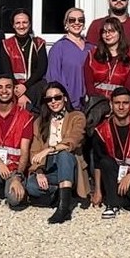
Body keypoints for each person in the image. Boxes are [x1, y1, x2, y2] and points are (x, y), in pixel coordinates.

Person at [25, 82, 85, 223]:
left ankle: (63, 208)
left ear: (65, 98)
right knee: (31, 185)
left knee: (64, 155)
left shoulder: (77, 117)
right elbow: (35, 151)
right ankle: (61, 192)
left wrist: (49, 149)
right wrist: (39, 171)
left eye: (57, 97)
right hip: (49, 165)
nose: (53, 102)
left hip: (70, 163)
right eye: (49, 99)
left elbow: (73, 140)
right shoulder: (39, 122)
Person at [88, 87, 130, 217]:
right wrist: (98, 191)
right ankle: (112, 204)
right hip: (112, 174)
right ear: (111, 105)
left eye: (125, 103)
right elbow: (98, 163)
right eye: (117, 103)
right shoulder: (101, 130)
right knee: (105, 161)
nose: (121, 107)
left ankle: (117, 197)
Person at [0, 75, 34, 209]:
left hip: (14, 169)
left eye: (8, 87)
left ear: (14, 89)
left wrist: (17, 177)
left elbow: (24, 152)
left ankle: (11, 186)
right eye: (0, 87)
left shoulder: (26, 117)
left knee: (14, 200)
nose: (4, 91)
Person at [83, 16, 130, 126]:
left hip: (119, 108)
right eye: (104, 32)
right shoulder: (92, 55)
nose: (107, 35)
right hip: (97, 108)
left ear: (119, 33)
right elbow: (88, 83)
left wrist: (115, 104)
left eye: (111, 31)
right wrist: (99, 103)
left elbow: (129, 86)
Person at [0, 9, 49, 107]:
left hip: (35, 88)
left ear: (29, 24)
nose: (21, 26)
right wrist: (19, 93)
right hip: (14, 89)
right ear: (13, 25)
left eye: (25, 22)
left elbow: (41, 69)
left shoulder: (38, 43)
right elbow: (6, 70)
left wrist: (25, 87)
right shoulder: (6, 44)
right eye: (18, 23)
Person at [44, 8, 91, 113]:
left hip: (89, 105)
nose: (77, 23)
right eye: (72, 20)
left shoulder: (91, 48)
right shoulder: (58, 48)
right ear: (66, 24)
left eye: (80, 20)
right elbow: (53, 78)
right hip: (67, 105)